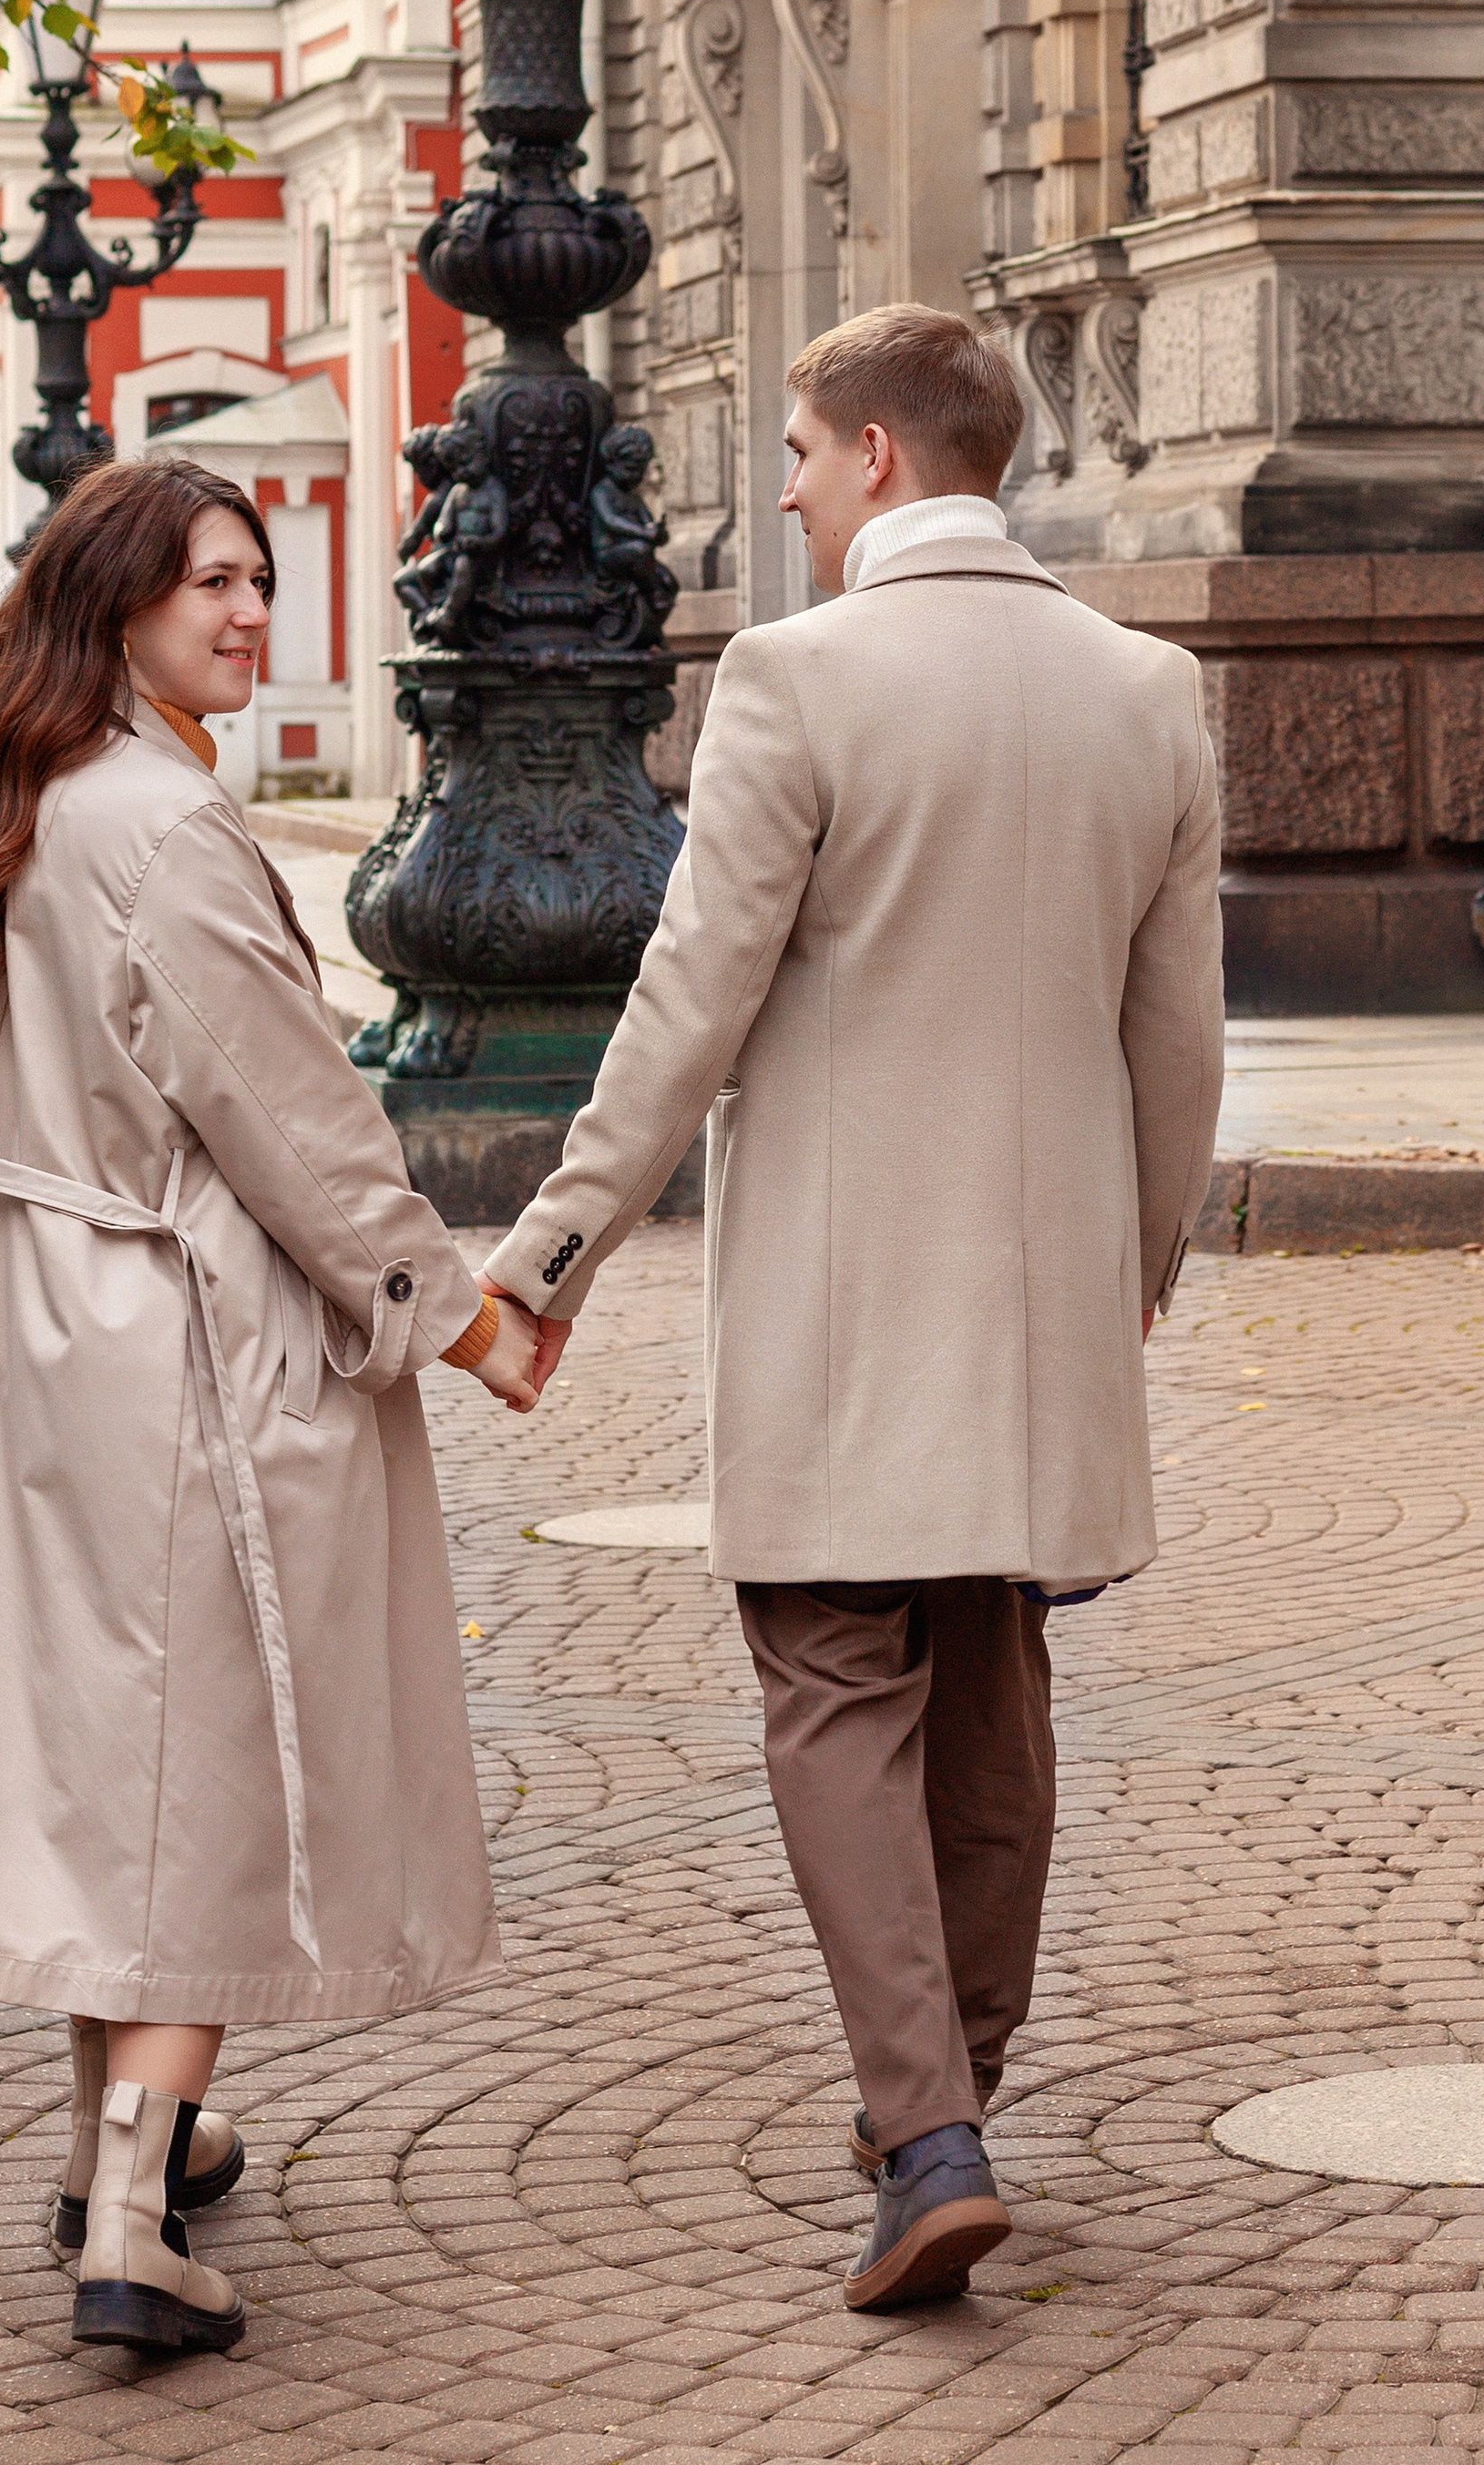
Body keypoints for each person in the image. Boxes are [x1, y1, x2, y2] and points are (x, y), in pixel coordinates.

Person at [476, 303, 1223, 2315]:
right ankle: (949, 2080)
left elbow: (688, 1005)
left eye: (802, 454)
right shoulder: (1147, 693)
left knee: (829, 1682)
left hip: (836, 1309)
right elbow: (1178, 1049)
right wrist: (1128, 1273)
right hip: (1046, 1292)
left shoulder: (791, 684)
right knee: (991, 1687)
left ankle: (923, 2129)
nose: (789, 491)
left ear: (877, 458)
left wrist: (552, 1247)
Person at [0, 456, 544, 2362]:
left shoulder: (5, 804)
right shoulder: (158, 828)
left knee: (113, 1763)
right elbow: (296, 1125)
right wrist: (453, 1315)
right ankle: (137, 2222)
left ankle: (117, 2147)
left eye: (257, 578)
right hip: (164, 1345)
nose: (248, 612)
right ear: (115, 607)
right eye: (207, 586)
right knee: (204, 1762)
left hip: (18, 1347)